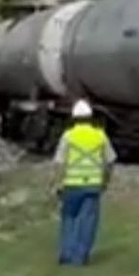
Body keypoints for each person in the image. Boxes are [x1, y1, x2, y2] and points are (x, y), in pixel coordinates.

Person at [53, 99, 116, 266]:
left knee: (69, 219)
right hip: (93, 186)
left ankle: (66, 254)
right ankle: (80, 257)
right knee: (87, 221)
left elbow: (59, 163)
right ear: (90, 117)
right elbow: (110, 160)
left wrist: (58, 184)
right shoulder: (100, 135)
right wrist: (106, 180)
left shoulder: (68, 135)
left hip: (72, 185)